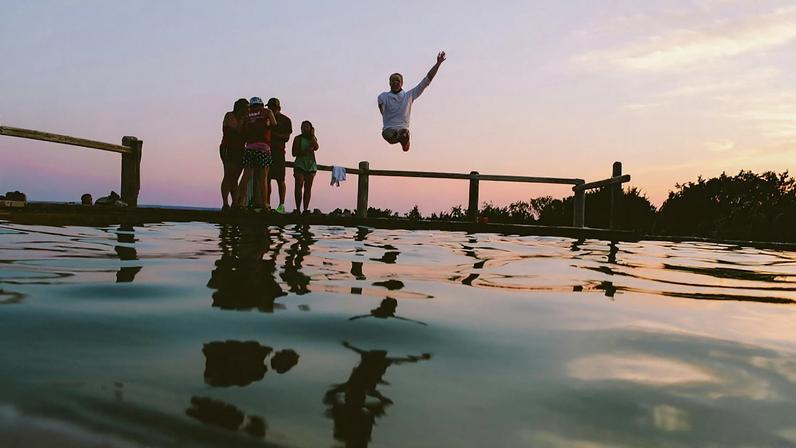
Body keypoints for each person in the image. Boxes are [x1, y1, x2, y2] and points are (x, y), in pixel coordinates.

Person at [378, 51, 446, 152]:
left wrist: (438, 63)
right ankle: (399, 138)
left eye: (397, 80)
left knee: (403, 133)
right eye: (393, 80)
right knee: (388, 134)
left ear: (401, 83)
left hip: (402, 129)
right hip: (389, 129)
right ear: (389, 83)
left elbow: (426, 81)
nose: (395, 82)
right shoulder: (383, 96)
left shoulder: (408, 96)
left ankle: (405, 141)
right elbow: (382, 110)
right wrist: (383, 109)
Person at [235, 97, 277, 211]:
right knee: (263, 178)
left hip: (249, 147)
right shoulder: (267, 112)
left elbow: (239, 129)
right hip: (263, 148)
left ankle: (240, 202)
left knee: (245, 176)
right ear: (261, 104)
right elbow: (274, 124)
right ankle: (265, 204)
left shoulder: (247, 114)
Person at [219, 98, 248, 210]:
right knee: (228, 175)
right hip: (228, 148)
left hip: (240, 149)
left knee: (235, 177)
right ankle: (225, 203)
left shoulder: (245, 119)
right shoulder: (230, 116)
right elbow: (238, 129)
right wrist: (243, 119)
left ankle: (235, 203)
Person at [266, 98, 292, 214]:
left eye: (273, 107)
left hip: (279, 152)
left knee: (280, 179)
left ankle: (281, 205)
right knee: (266, 179)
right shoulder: (266, 117)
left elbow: (286, 137)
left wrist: (272, 134)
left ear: (279, 108)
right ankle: (267, 204)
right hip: (267, 151)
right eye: (269, 107)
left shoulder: (286, 120)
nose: (271, 109)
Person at [291, 120, 319, 214]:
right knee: (298, 186)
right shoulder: (297, 138)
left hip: (311, 165)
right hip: (300, 164)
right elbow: (294, 153)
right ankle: (298, 209)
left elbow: (316, 147)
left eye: (307, 127)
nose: (304, 129)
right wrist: (305, 150)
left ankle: (305, 209)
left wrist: (312, 135)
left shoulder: (313, 138)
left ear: (310, 128)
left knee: (308, 188)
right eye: (303, 127)